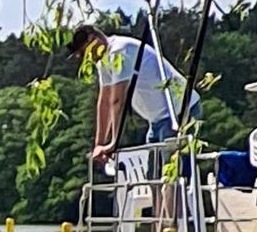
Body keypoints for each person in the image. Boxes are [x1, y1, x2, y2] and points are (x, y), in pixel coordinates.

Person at [64, 25, 198, 164]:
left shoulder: (119, 52)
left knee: (172, 174)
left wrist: (114, 143)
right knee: (152, 174)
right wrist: (99, 144)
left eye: (83, 53)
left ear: (93, 40)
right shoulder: (104, 60)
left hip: (178, 112)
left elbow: (117, 100)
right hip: (157, 120)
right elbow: (104, 101)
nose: (86, 59)